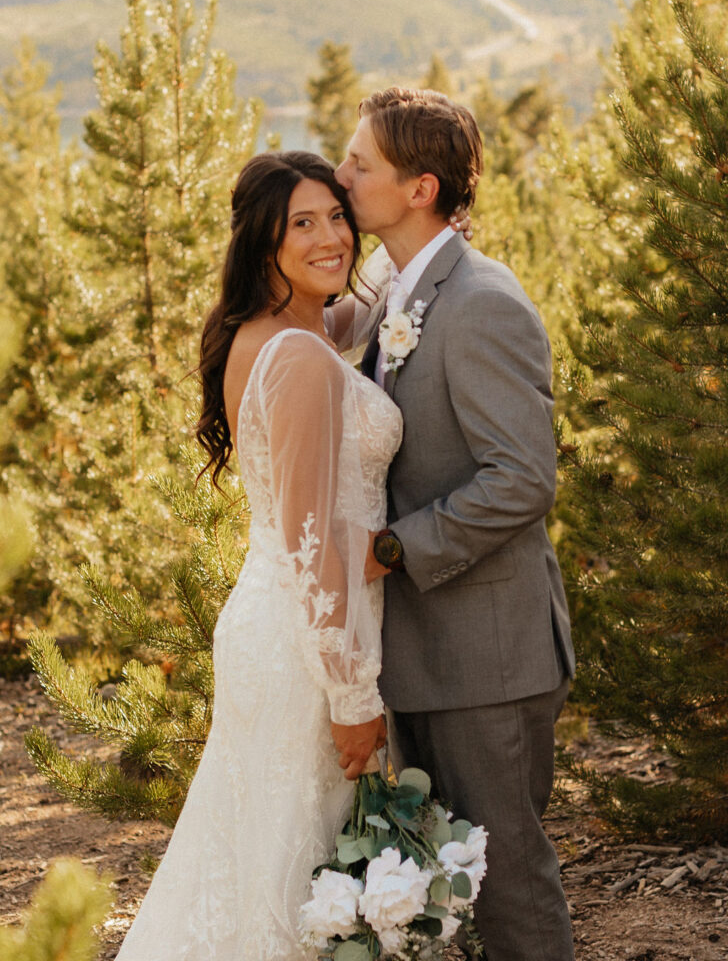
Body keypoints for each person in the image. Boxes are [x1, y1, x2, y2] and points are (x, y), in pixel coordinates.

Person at [114, 151, 401, 961]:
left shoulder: (280, 331)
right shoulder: (302, 359)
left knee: (253, 864)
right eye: (301, 224)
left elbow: (357, 314)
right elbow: (313, 542)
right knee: (294, 880)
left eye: (336, 216)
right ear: (263, 243)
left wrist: (409, 245)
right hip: (307, 644)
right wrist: (353, 695)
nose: (329, 237)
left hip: (274, 622)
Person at [329, 88, 577, 961]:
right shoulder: (396, 290)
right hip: (427, 652)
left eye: (361, 164)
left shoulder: (481, 304)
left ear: (420, 188)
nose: (343, 174)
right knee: (452, 880)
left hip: (491, 657)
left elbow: (523, 479)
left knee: (506, 881)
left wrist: (393, 548)